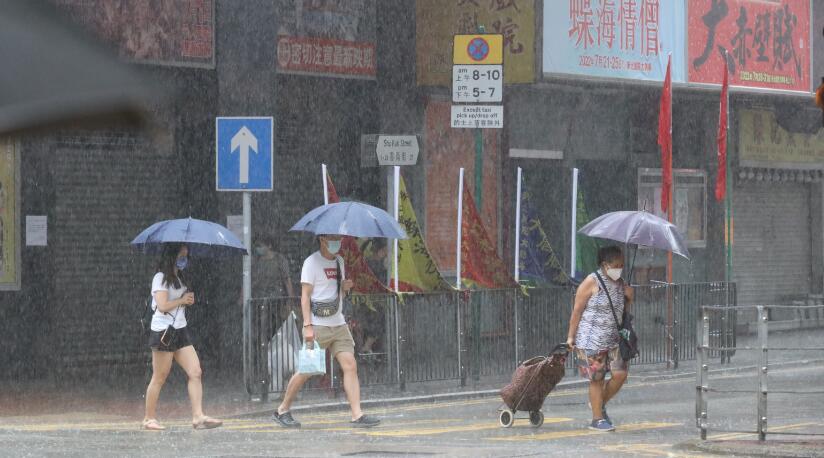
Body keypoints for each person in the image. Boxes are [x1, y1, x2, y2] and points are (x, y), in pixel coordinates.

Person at [272, 234, 380, 428]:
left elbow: (338, 291)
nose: (336, 242)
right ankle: (282, 409)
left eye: (338, 238)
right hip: (318, 324)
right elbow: (305, 296)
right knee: (307, 370)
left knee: (350, 365)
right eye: (332, 238)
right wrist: (307, 326)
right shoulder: (311, 263)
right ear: (322, 239)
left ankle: (357, 414)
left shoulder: (339, 261)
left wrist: (346, 287)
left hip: (338, 324)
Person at [142, 243, 222, 431]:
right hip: (164, 331)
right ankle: (148, 418)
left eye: (186, 255)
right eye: (181, 255)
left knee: (195, 371)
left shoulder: (179, 277)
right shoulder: (160, 278)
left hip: (180, 329)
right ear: (172, 256)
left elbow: (176, 303)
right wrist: (181, 300)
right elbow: (162, 305)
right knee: (159, 376)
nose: (184, 259)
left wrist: (186, 301)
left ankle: (198, 416)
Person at [566, 246, 634, 432]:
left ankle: (598, 403)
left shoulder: (621, 284)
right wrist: (571, 336)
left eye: (622, 265)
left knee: (620, 374)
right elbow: (577, 310)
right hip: (591, 339)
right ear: (605, 265)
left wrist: (629, 297)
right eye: (616, 265)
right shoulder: (591, 281)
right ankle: (597, 419)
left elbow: (624, 314)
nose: (619, 268)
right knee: (596, 379)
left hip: (614, 339)